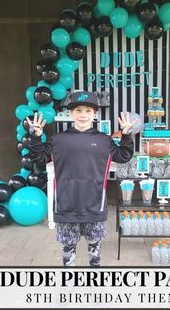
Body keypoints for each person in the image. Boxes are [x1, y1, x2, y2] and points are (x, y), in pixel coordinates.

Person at [27, 91, 135, 267]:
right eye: (78, 110)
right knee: (68, 248)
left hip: (94, 205)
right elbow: (39, 158)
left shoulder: (104, 140)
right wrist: (35, 137)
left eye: (88, 111)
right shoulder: (59, 140)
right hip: (67, 205)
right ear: (71, 113)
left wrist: (126, 135)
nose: (83, 115)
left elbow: (124, 156)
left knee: (95, 248)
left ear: (95, 114)